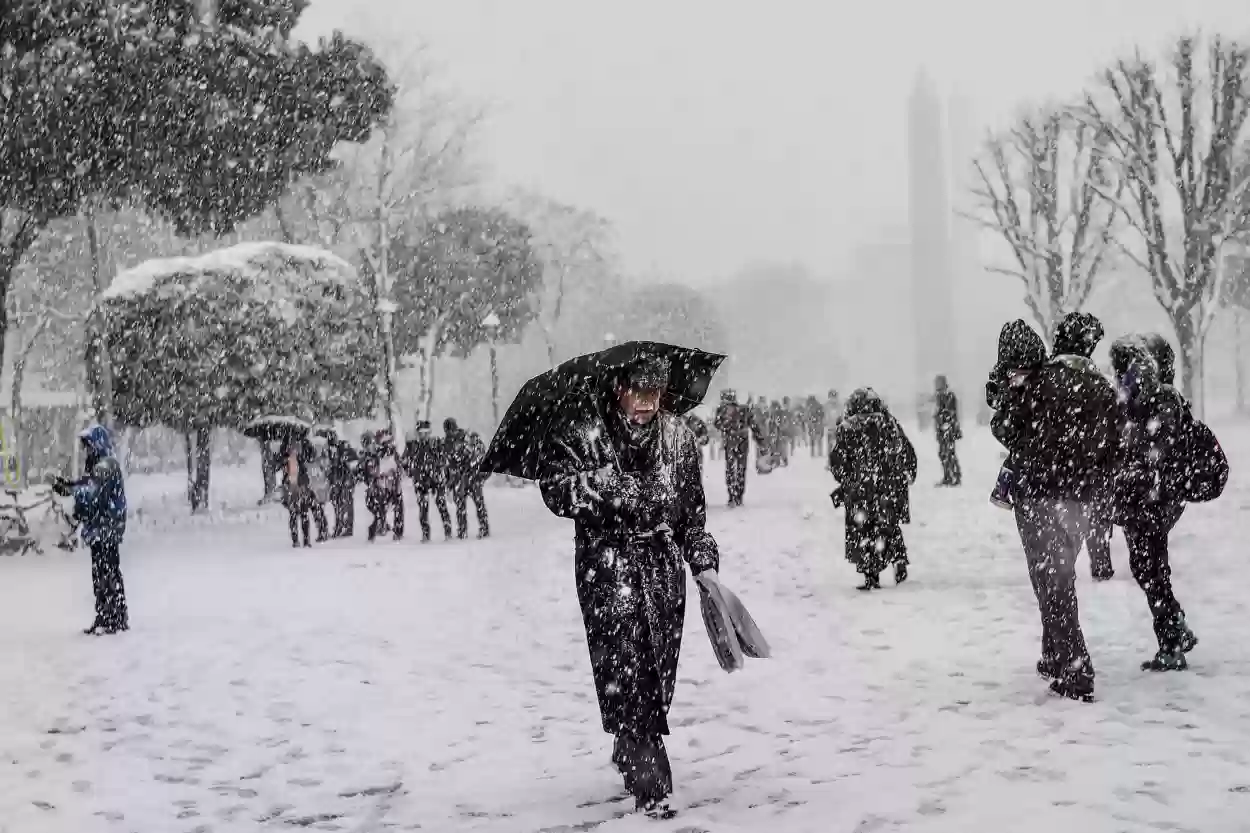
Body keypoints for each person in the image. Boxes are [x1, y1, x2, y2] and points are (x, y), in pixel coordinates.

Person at [538, 353, 720, 815]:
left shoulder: (679, 437)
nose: (646, 401)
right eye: (638, 390)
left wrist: (702, 558)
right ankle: (650, 777)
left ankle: (629, 737)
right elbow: (556, 487)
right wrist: (612, 490)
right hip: (607, 567)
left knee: (658, 670)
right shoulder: (584, 429)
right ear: (617, 387)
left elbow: (692, 514)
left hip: (662, 572)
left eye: (655, 392)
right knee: (627, 665)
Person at [992, 319, 1118, 702]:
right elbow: (1114, 444)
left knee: (1052, 581)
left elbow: (1007, 430)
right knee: (1058, 577)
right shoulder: (1102, 387)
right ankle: (1054, 655)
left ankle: (1076, 668)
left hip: (1040, 495)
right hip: (1082, 498)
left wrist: (1006, 397)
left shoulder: (1040, 382)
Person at [1110, 334, 1199, 672]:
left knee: (1149, 568)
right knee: (1149, 568)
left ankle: (1173, 636)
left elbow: (1156, 448)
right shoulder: (1144, 397)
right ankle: (1174, 630)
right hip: (1149, 498)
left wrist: (1134, 458)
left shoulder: (1157, 399)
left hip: (1152, 499)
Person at [828, 389, 917, 590]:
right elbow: (906, 450)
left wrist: (847, 479)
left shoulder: (848, 427)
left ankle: (871, 574)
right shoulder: (889, 423)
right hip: (888, 486)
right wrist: (907, 472)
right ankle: (898, 559)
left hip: (862, 489)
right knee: (888, 525)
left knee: (862, 530)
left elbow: (838, 461)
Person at [1052, 312, 1114, 580]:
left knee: (1063, 531)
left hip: (1057, 473)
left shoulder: (1047, 379)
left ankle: (1063, 568)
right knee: (1096, 522)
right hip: (1092, 472)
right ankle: (1100, 564)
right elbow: (1113, 432)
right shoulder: (1098, 384)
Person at [53, 425, 129, 635]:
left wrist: (71, 492)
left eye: (88, 446)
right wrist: (70, 487)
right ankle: (109, 615)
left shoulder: (105, 465)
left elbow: (93, 494)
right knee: (103, 572)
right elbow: (88, 485)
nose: (86, 450)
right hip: (102, 528)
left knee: (106, 571)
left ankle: (113, 617)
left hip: (106, 528)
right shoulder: (101, 465)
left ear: (97, 444)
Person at [405, 421, 453, 542]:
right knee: (423, 508)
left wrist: (437, 466)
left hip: (435, 479)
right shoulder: (413, 446)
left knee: (441, 504)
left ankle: (448, 532)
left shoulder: (435, 443)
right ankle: (425, 534)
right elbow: (405, 463)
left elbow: (445, 458)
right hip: (420, 481)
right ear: (417, 433)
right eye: (421, 433)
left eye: (427, 433)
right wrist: (411, 470)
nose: (424, 435)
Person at [443, 418, 490, 539]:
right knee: (460, 507)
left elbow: (478, 453)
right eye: (448, 431)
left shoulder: (466, 437)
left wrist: (473, 459)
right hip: (459, 478)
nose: (450, 433)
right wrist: (449, 482)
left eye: (451, 430)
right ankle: (462, 531)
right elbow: (447, 464)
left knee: (479, 504)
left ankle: (484, 529)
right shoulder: (446, 444)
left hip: (472, 476)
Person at [363, 429, 404, 542]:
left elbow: (400, 467)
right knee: (384, 509)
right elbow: (371, 472)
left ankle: (394, 530)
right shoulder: (377, 455)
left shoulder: (388, 454)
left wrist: (396, 474)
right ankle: (384, 528)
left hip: (390, 485)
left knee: (393, 507)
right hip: (384, 486)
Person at [713, 389, 752, 507]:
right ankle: (738, 495)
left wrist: (726, 426)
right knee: (740, 469)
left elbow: (717, 424)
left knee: (731, 470)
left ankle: (732, 496)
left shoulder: (722, 410)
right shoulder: (744, 409)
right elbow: (753, 425)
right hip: (742, 443)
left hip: (731, 443)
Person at [327, 433, 358, 537]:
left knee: (346, 503)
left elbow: (354, 459)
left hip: (345, 480)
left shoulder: (343, 447)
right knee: (337, 503)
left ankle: (346, 527)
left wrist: (344, 459)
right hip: (337, 480)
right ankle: (340, 525)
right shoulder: (329, 450)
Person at [933, 375, 962, 486]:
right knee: (943, 454)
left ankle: (955, 476)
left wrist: (946, 422)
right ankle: (948, 476)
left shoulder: (949, 396)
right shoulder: (939, 396)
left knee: (949, 454)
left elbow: (951, 413)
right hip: (942, 430)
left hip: (948, 429)